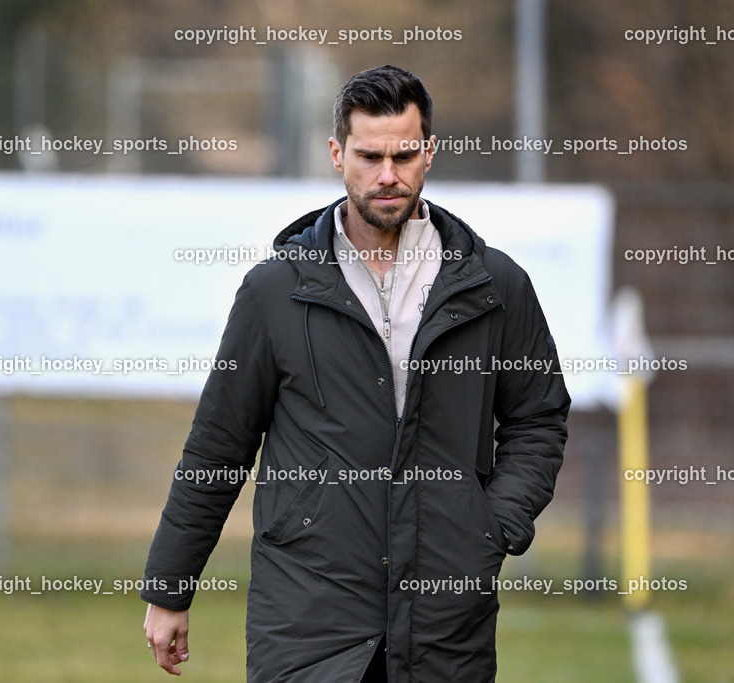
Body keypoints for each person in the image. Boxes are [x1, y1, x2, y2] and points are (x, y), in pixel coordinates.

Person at [141, 64, 570, 682]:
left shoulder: (494, 286)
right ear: (338, 155)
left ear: (429, 154)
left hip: (445, 624)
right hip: (308, 619)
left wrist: (490, 525)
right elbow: (220, 443)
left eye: (404, 155)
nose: (388, 176)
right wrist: (170, 585)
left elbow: (539, 417)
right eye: (370, 156)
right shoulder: (275, 292)